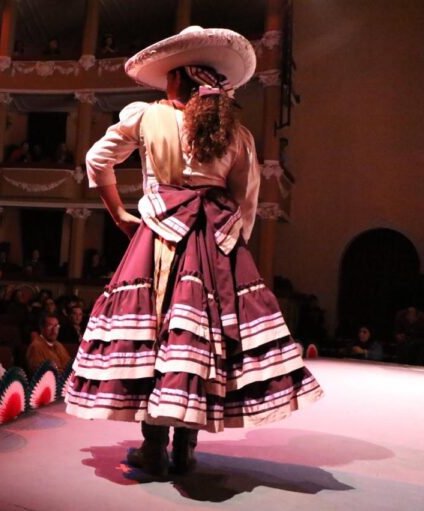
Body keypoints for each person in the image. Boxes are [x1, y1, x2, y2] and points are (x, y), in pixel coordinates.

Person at [64, 26, 324, 476]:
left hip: (160, 239)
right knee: (206, 341)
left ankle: (154, 447)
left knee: (155, 336)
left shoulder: (146, 116)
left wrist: (119, 214)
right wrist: (227, 245)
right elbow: (246, 202)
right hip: (216, 245)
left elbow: (96, 160)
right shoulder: (237, 134)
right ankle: (186, 446)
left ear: (177, 79)